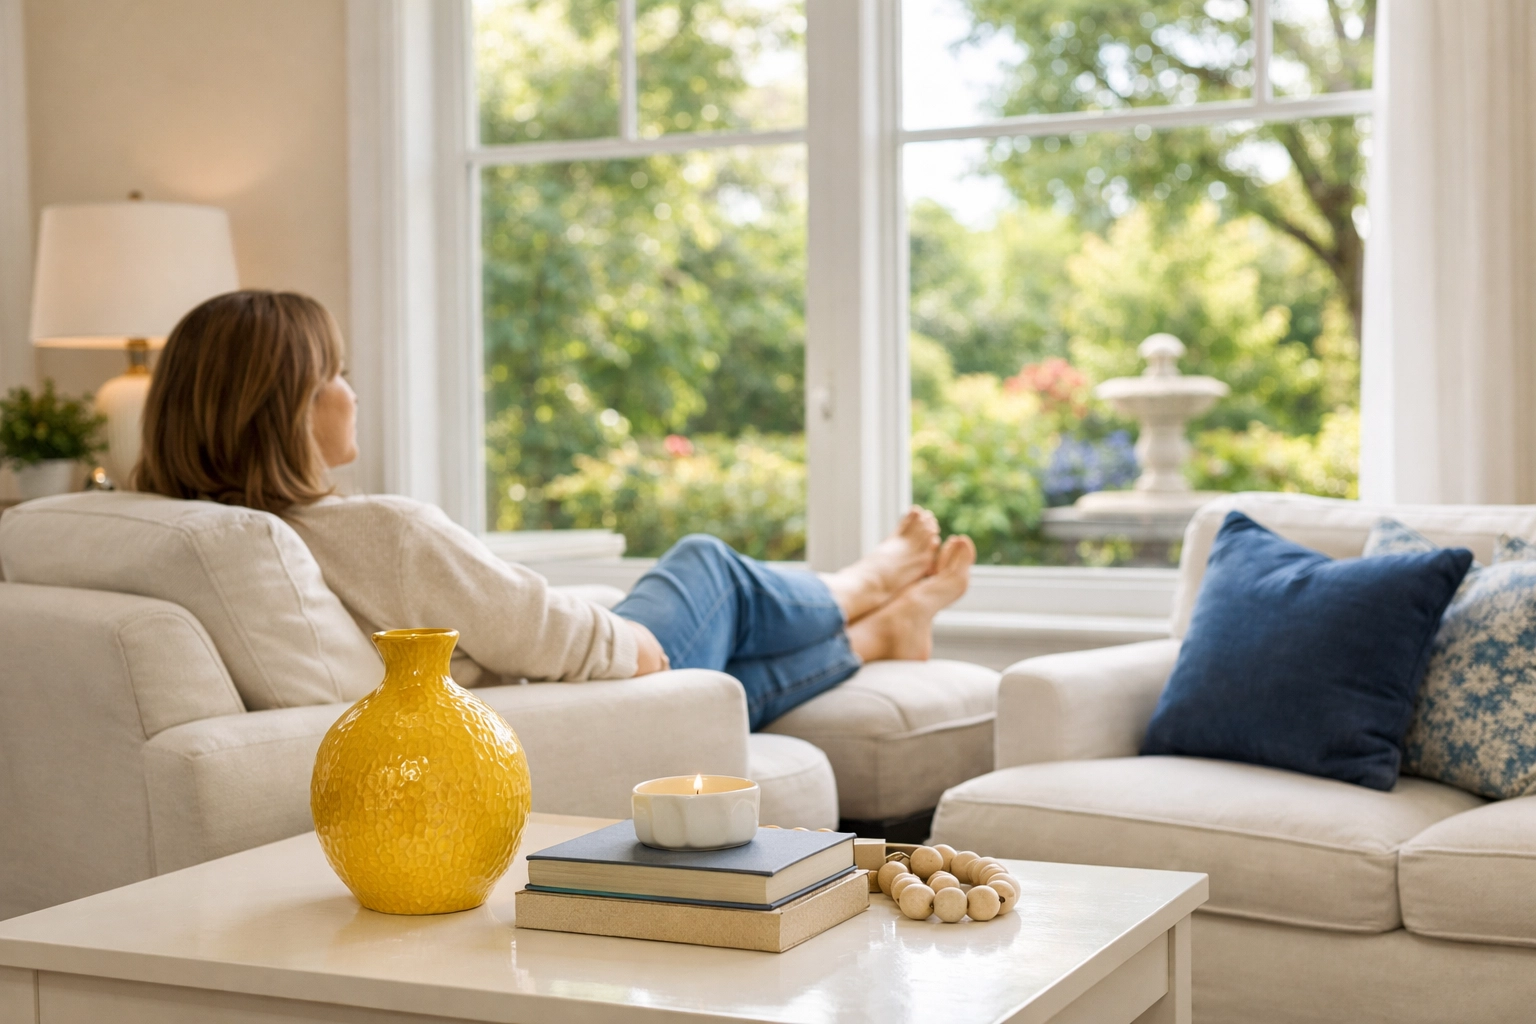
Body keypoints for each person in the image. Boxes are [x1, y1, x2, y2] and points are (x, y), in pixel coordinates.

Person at [135, 290, 975, 728]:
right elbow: (560, 642)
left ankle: (876, 636)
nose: (353, 393)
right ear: (290, 405)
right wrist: (629, 641)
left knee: (721, 679)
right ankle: (871, 579)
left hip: (506, 691)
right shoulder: (379, 533)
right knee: (706, 566)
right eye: (338, 374)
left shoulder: (184, 530)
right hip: (560, 692)